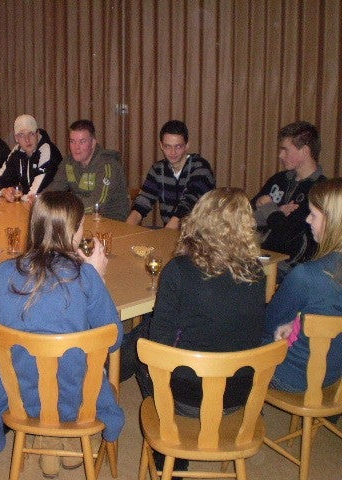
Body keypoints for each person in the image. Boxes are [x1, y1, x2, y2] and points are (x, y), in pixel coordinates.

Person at [128, 188, 266, 475]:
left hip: (188, 400)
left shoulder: (178, 270)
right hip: (240, 395)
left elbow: (160, 344)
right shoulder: (256, 272)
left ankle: (169, 448)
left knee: (141, 344)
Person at [0, 191, 124, 476]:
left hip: (21, 396)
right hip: (78, 399)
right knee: (77, 369)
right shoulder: (85, 277)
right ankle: (66, 435)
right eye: (81, 225)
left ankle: (46, 435)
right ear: (73, 232)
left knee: (39, 367)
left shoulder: (1, 274)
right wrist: (97, 277)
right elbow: (114, 341)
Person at [263, 178, 342, 392]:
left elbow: (269, 324)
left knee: (240, 332)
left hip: (294, 376)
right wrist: (297, 320)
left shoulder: (307, 275)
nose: (307, 220)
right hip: (334, 375)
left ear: (333, 222)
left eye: (313, 215)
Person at [252, 121, 326, 274]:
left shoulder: (320, 190)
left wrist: (269, 208)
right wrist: (276, 212)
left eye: (285, 150)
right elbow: (245, 215)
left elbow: (287, 235)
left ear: (305, 151)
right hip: (258, 257)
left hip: (289, 268)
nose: (280, 155)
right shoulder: (279, 179)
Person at [127, 120, 215, 229]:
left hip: (199, 234)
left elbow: (189, 204)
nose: (173, 152)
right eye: (167, 146)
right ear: (161, 146)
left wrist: (166, 234)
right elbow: (143, 202)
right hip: (170, 231)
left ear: (187, 145)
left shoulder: (200, 167)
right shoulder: (158, 169)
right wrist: (126, 230)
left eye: (178, 146)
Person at [45, 119, 130, 221]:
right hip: (81, 218)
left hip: (111, 221)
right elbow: (54, 190)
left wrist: (65, 209)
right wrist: (39, 200)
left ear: (93, 143)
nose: (76, 147)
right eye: (72, 141)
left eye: (82, 142)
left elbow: (96, 204)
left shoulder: (108, 165)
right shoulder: (68, 162)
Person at [0, 114, 62, 202]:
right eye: (21, 135)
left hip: (54, 205)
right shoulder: (17, 151)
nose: (27, 140)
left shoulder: (47, 150)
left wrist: (18, 196)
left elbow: (35, 194)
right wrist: (4, 192)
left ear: (37, 134)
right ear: (16, 138)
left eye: (31, 134)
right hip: (29, 205)